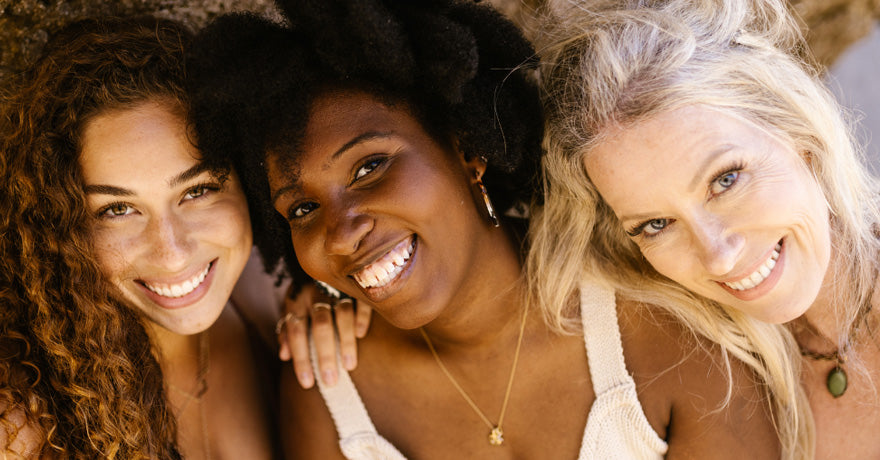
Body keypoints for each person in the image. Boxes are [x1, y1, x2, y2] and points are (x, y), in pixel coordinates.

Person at [186, 0, 784, 458]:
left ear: (467, 147)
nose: (341, 233)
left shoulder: (662, 333)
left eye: (370, 167)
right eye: (302, 209)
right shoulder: (331, 387)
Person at [0, 15, 363, 458]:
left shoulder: (272, 302)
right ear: (59, 226)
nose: (172, 254)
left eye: (198, 190)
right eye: (117, 210)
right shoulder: (21, 419)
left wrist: (331, 308)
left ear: (248, 179)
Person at [530, 0, 879, 458]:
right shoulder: (698, 360)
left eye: (725, 180)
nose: (719, 256)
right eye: (657, 224)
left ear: (800, 134)